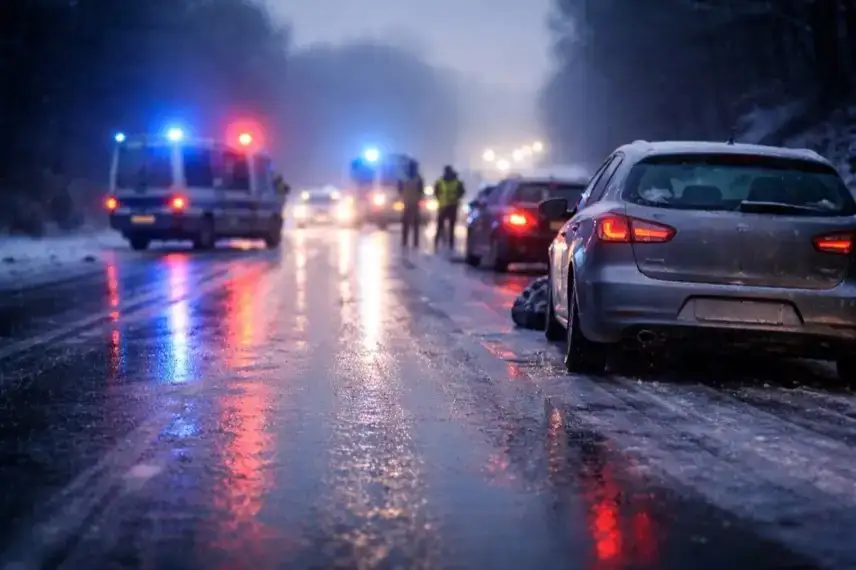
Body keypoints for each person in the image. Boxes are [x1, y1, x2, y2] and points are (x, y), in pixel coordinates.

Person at [433, 165, 465, 252]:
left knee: (444, 226)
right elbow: (462, 192)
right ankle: (445, 243)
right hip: (449, 206)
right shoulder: (442, 181)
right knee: (446, 226)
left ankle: (442, 243)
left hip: (447, 206)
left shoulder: (442, 181)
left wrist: (440, 199)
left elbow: (436, 191)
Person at [398, 159, 424, 249]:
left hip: (409, 202)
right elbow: (421, 190)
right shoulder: (418, 178)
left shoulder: (404, 177)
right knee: (412, 224)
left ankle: (406, 242)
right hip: (412, 202)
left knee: (408, 224)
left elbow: (400, 189)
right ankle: (413, 243)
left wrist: (403, 197)